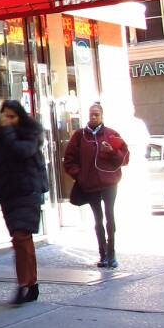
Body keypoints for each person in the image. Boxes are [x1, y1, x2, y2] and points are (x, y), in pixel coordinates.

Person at [0, 100, 49, 305]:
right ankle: (31, 284)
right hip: (8, 194)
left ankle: (24, 285)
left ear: (20, 117)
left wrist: (8, 132)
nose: (7, 121)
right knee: (20, 239)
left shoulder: (30, 134)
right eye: (5, 116)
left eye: (12, 117)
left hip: (27, 191)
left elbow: (21, 151)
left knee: (21, 237)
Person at [63, 102, 131, 269]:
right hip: (90, 184)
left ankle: (112, 253)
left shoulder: (111, 134)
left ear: (102, 116)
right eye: (91, 114)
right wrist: (80, 176)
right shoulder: (80, 135)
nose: (93, 117)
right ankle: (103, 255)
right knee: (97, 219)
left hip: (109, 183)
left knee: (110, 216)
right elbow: (69, 160)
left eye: (97, 115)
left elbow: (125, 158)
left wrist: (112, 152)